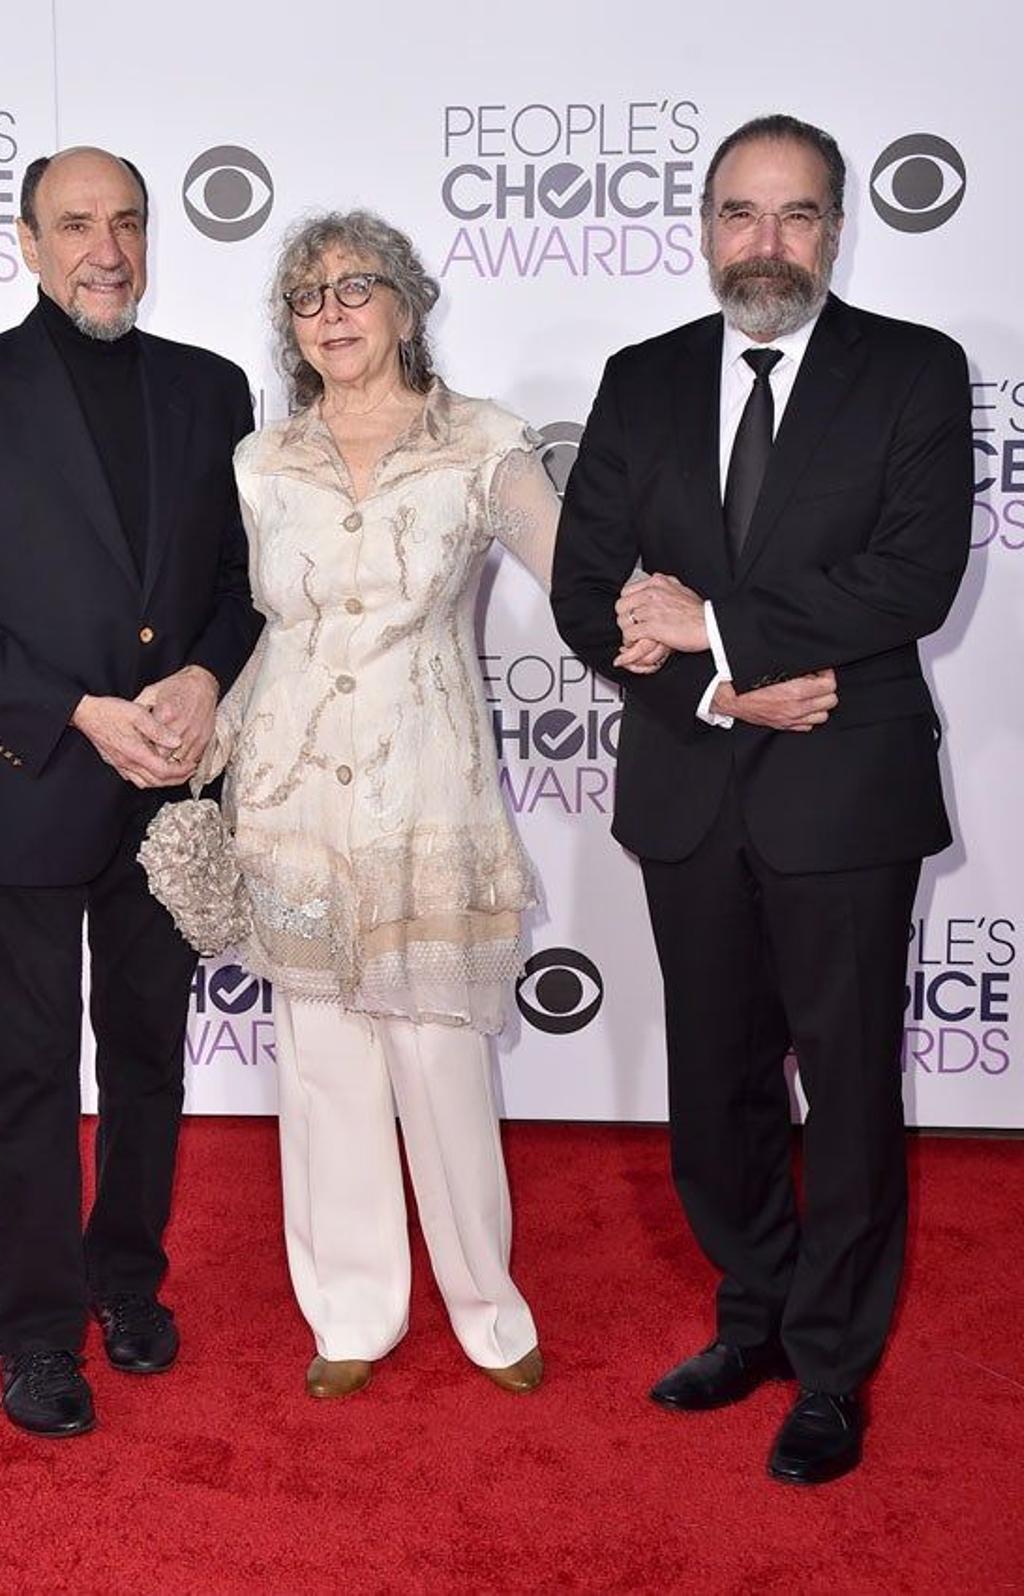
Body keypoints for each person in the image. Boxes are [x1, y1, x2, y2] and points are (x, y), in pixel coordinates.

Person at [552, 114, 972, 1484]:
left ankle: (835, 1368)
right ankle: (757, 1318)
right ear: (705, 224)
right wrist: (727, 692)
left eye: (796, 215)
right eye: (742, 213)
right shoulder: (642, 378)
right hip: (693, 787)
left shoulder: (911, 372)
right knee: (716, 1090)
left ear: (838, 227)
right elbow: (585, 590)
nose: (767, 243)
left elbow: (911, 580)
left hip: (845, 794)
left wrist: (721, 628)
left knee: (847, 1093)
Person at [0, 147, 260, 1437]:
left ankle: (126, 1281)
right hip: (28, 788)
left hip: (171, 794)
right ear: (31, 245)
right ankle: (37, 1337)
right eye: (78, 224)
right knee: (29, 1075)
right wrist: (78, 714)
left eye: (129, 223)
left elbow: (234, 581)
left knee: (149, 1058)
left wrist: (209, 674)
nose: (108, 247)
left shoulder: (212, 391)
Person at [147, 210, 558, 1399]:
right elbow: (266, 630)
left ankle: (488, 1308)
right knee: (324, 1071)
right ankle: (351, 1312)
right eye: (307, 296)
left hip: (427, 794)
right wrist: (202, 735)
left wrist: (678, 622)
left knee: (441, 1068)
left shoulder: (482, 443)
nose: (332, 312)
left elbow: (574, 575)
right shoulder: (261, 462)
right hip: (290, 801)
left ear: (408, 304)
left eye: (355, 287)